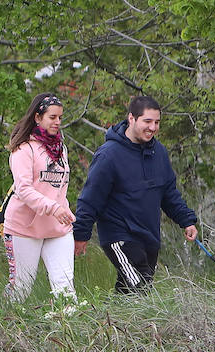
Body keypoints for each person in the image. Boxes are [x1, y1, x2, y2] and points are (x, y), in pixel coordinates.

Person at [72, 96, 199, 293]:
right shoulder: (109, 155)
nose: (153, 127)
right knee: (139, 286)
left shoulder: (159, 153)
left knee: (131, 291)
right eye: (147, 121)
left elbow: (168, 193)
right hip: (119, 235)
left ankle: (110, 323)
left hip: (149, 236)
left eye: (157, 122)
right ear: (132, 119)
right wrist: (81, 233)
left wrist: (186, 220)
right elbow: (91, 198)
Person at [2, 94, 76, 302]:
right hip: (24, 228)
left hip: (58, 228)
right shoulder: (23, 149)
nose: (58, 122)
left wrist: (64, 209)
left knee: (65, 286)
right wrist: (53, 207)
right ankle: (3, 328)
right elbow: (24, 190)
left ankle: (68, 331)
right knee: (21, 288)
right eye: (52, 117)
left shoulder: (61, 150)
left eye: (60, 118)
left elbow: (60, 187)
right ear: (37, 117)